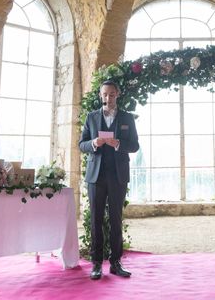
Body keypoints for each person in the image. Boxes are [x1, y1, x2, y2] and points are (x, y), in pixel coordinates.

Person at [79, 80, 139, 280]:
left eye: (112, 94)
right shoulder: (91, 117)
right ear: (100, 95)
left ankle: (116, 263)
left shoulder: (127, 118)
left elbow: (135, 146)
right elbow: (82, 144)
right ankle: (96, 264)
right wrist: (93, 143)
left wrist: (119, 144)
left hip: (118, 175)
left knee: (115, 219)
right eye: (105, 94)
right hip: (96, 176)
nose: (108, 98)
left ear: (117, 94)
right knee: (96, 219)